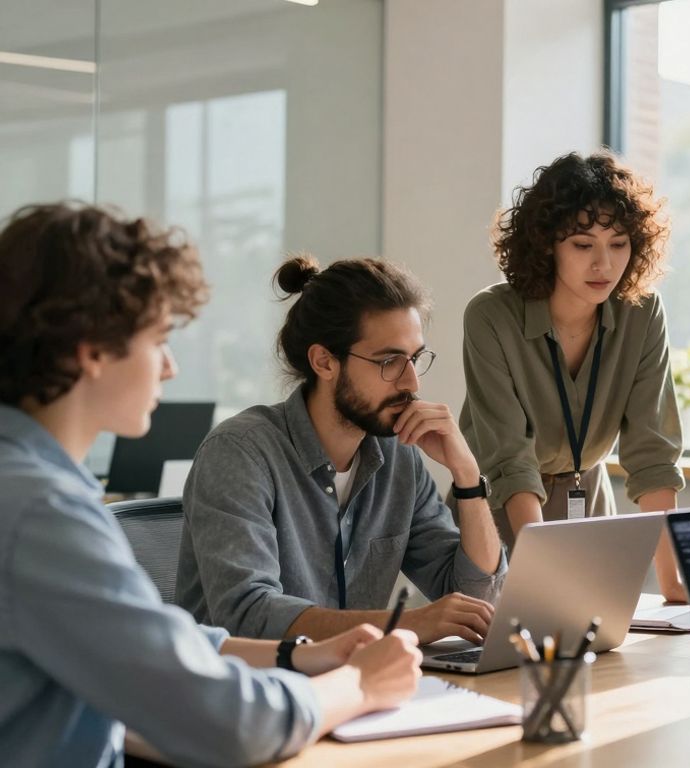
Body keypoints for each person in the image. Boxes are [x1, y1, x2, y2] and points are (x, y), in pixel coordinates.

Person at [0, 202, 422, 766]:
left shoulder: (35, 486)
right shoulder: (41, 514)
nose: (170, 367)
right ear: (92, 350)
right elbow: (232, 723)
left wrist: (301, 656)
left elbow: (154, 645)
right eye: (158, 339)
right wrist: (359, 685)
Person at [177, 254, 506, 644]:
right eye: (389, 361)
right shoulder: (240, 453)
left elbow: (477, 600)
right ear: (324, 362)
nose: (412, 382)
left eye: (415, 359)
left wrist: (467, 475)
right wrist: (409, 624)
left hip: (358, 689)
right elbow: (248, 615)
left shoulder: (398, 457)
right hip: (249, 694)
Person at [461, 151, 687, 601]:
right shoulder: (491, 316)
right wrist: (545, 572)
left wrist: (675, 585)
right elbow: (510, 461)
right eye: (583, 245)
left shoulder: (642, 313)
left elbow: (652, 452)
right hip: (503, 510)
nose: (603, 264)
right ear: (547, 244)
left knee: (599, 652)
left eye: (619, 244)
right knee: (507, 650)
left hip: (589, 504)